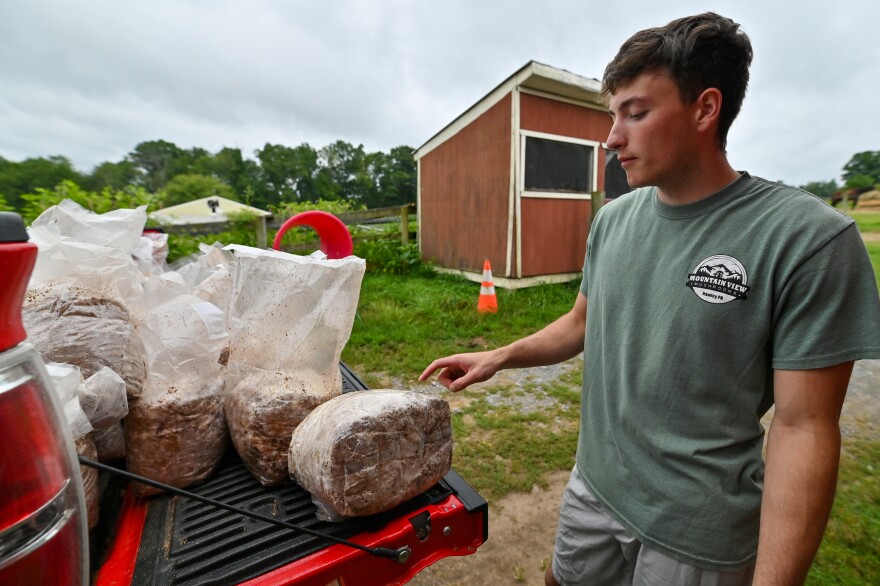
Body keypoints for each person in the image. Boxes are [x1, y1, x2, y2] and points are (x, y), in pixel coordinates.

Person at [419, 12, 880, 586]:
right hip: (595, 487)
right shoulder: (614, 220)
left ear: (706, 109)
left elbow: (803, 427)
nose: (612, 137)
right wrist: (500, 357)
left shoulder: (807, 240)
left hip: (699, 531)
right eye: (614, 115)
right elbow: (582, 321)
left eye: (636, 113)